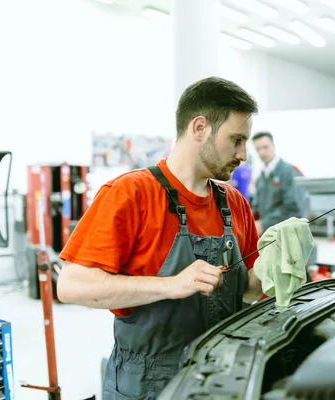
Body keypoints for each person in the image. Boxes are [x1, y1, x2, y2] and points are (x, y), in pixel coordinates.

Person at [56, 77, 265, 398]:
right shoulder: (130, 193)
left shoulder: (234, 203)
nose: (243, 155)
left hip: (221, 378)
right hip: (148, 382)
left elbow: (250, 291)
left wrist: (278, 268)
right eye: (236, 139)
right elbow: (71, 286)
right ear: (200, 128)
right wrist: (170, 285)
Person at [251, 131, 306, 236]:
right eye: (258, 149)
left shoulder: (290, 172)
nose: (261, 152)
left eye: (265, 147)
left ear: (274, 145)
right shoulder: (260, 178)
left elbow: (294, 209)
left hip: (288, 237)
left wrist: (263, 224)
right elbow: (256, 208)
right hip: (269, 238)